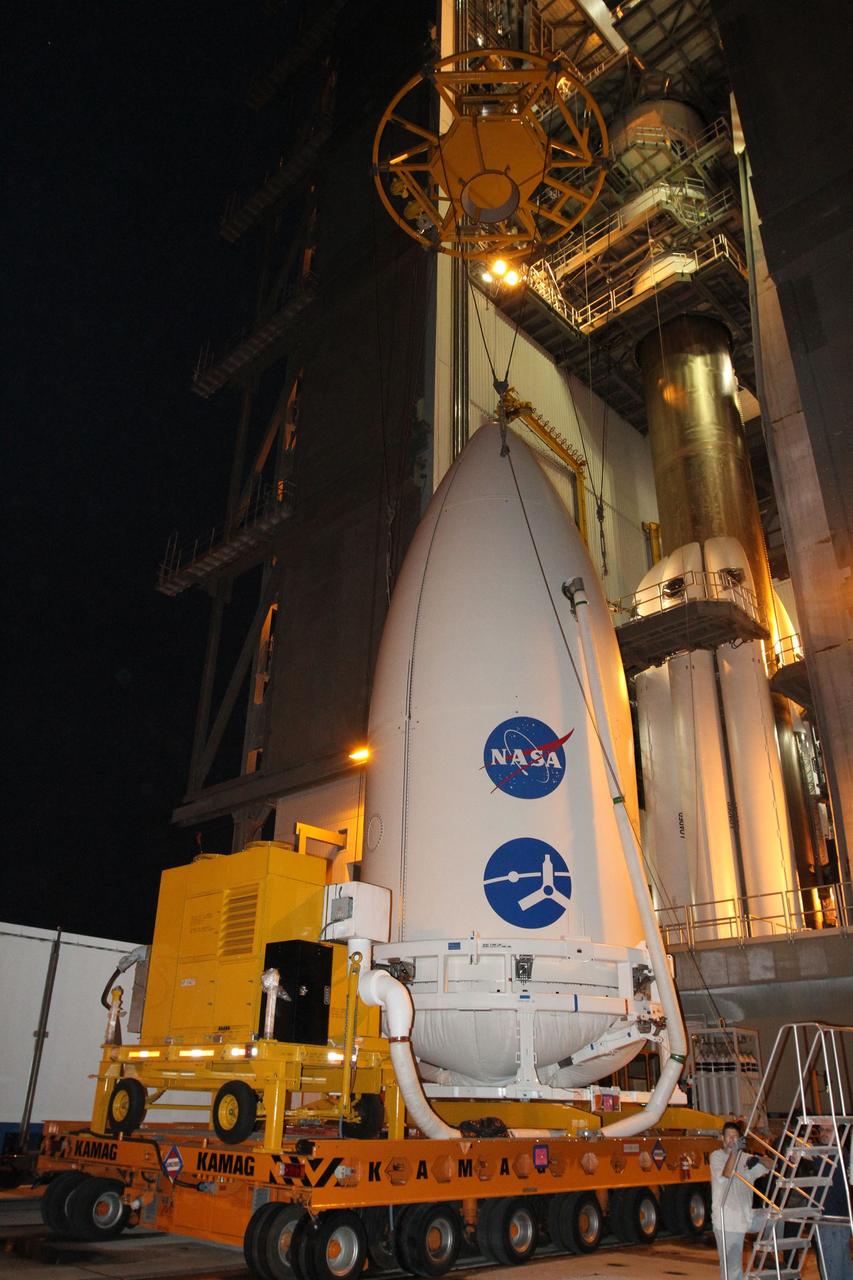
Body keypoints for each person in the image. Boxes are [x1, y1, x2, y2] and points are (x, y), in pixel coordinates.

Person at [710, 1119, 771, 1280]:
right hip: (727, 1222)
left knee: (774, 1216)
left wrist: (760, 1159)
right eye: (728, 1137)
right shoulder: (716, 1156)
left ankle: (768, 1251)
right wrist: (735, 1152)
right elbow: (727, 1174)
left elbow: (773, 1165)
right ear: (722, 1139)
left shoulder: (745, 1157)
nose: (731, 1140)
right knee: (733, 1270)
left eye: (735, 1136)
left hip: (746, 1217)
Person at [813, 1123, 853, 1280]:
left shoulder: (834, 1154)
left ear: (838, 1133)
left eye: (828, 1130)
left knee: (832, 1270)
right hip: (839, 1221)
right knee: (843, 1268)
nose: (823, 1133)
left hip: (830, 1221)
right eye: (821, 1130)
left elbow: (809, 1155)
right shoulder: (842, 1153)